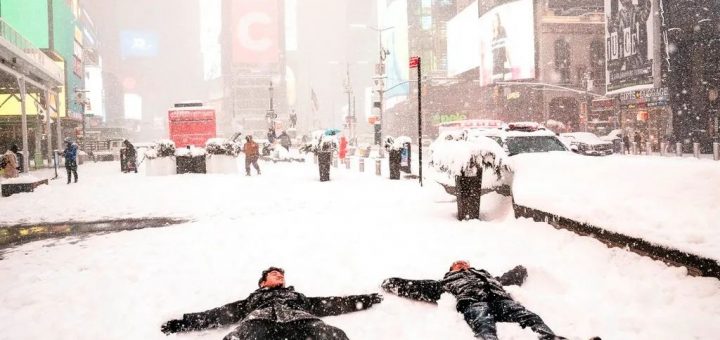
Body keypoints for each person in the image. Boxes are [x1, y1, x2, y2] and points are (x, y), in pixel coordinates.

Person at [160, 267, 383, 340]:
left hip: (301, 322)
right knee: (236, 338)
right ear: (263, 282)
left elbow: (331, 304)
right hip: (260, 323)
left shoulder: (298, 297)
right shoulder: (252, 300)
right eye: (275, 274)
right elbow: (221, 314)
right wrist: (183, 323)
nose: (280, 277)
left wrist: (363, 300)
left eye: (281, 275)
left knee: (333, 334)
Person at [382, 261, 567, 340]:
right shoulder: (446, 282)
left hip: (501, 301)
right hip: (472, 302)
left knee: (528, 316)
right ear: (452, 269)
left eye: (465, 263)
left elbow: (507, 278)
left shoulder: (486, 276)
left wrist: (520, 270)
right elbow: (419, 286)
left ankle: (549, 337)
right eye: (458, 264)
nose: (462, 264)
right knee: (483, 322)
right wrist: (392, 283)